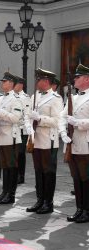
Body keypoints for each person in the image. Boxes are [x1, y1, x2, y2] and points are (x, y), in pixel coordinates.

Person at [25, 68, 62, 214]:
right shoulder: (35, 96)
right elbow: (28, 115)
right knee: (38, 171)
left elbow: (57, 121)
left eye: (39, 79)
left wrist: (39, 119)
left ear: (46, 81)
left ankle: (48, 202)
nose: (36, 82)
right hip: (36, 139)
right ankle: (39, 200)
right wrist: (29, 127)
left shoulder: (56, 99)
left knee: (48, 172)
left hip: (48, 141)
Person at [59, 64, 89, 223]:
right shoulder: (72, 97)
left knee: (86, 178)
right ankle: (79, 209)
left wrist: (77, 122)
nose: (74, 79)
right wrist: (63, 132)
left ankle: (87, 210)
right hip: (71, 143)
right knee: (76, 178)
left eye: (78, 77)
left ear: (86, 79)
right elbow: (61, 117)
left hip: (85, 144)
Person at [0, 72, 23, 205]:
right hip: (1, 135)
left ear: (12, 83)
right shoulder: (1, 98)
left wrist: (0, 112)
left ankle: (11, 194)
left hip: (11, 136)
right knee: (4, 166)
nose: (2, 83)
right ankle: (4, 192)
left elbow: (15, 118)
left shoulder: (16, 99)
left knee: (11, 166)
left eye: (5, 81)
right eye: (2, 81)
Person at [13, 76, 31, 184]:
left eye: (16, 83)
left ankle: (21, 175)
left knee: (20, 153)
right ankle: (15, 173)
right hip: (13, 129)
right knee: (14, 153)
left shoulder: (25, 97)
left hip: (22, 130)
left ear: (21, 85)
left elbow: (27, 115)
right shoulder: (12, 96)